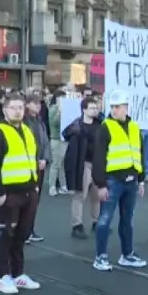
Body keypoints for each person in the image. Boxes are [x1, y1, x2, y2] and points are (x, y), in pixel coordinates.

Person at [0, 93, 42, 295]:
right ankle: (2, 276)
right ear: (5, 110)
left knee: (21, 235)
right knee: (5, 234)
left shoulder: (27, 130)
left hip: (28, 191)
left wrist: (34, 185)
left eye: (20, 107)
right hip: (8, 193)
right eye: (13, 107)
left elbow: (31, 158)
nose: (18, 111)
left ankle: (18, 273)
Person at [91, 90, 147, 272]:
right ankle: (100, 256)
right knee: (105, 219)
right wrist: (100, 184)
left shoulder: (134, 127)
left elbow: (140, 154)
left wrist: (141, 180)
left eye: (118, 107)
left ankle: (127, 254)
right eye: (113, 107)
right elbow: (98, 156)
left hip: (131, 180)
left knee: (127, 220)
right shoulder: (106, 127)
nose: (115, 110)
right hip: (113, 180)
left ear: (126, 108)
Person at [62, 96, 102, 240]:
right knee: (80, 195)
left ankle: (96, 222)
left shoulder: (100, 125)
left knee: (97, 195)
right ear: (84, 109)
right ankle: (77, 225)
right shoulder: (77, 127)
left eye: (96, 108)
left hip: (97, 163)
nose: (95, 110)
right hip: (83, 164)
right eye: (91, 108)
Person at [22, 93, 50, 243]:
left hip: (40, 164)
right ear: (27, 105)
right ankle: (24, 231)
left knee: (35, 201)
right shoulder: (24, 122)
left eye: (39, 103)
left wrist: (45, 159)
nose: (38, 106)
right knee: (27, 199)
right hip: (29, 165)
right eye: (34, 103)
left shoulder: (40, 121)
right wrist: (34, 160)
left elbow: (45, 141)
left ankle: (30, 230)